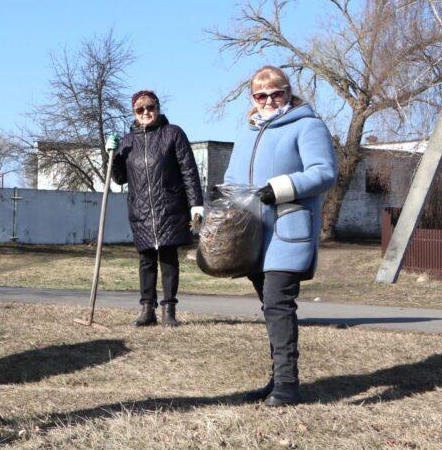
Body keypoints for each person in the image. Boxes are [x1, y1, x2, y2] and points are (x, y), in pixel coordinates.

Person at [223, 66, 337, 407]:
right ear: (252, 99)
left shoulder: (308, 126)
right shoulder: (247, 134)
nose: (270, 101)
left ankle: (287, 384)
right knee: (269, 305)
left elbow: (325, 173)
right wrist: (217, 208)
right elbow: (231, 178)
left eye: (277, 93)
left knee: (278, 303)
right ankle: (277, 378)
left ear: (289, 92)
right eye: (261, 95)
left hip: (288, 232)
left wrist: (283, 187)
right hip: (252, 235)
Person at [108, 91, 204, 328]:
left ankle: (169, 310)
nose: (145, 113)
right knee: (146, 260)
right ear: (134, 113)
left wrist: (196, 207)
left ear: (158, 108)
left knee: (169, 258)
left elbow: (189, 171)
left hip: (170, 207)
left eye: (149, 107)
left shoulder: (173, 134)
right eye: (140, 110)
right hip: (141, 210)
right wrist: (111, 155)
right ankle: (146, 309)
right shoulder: (128, 141)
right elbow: (119, 178)